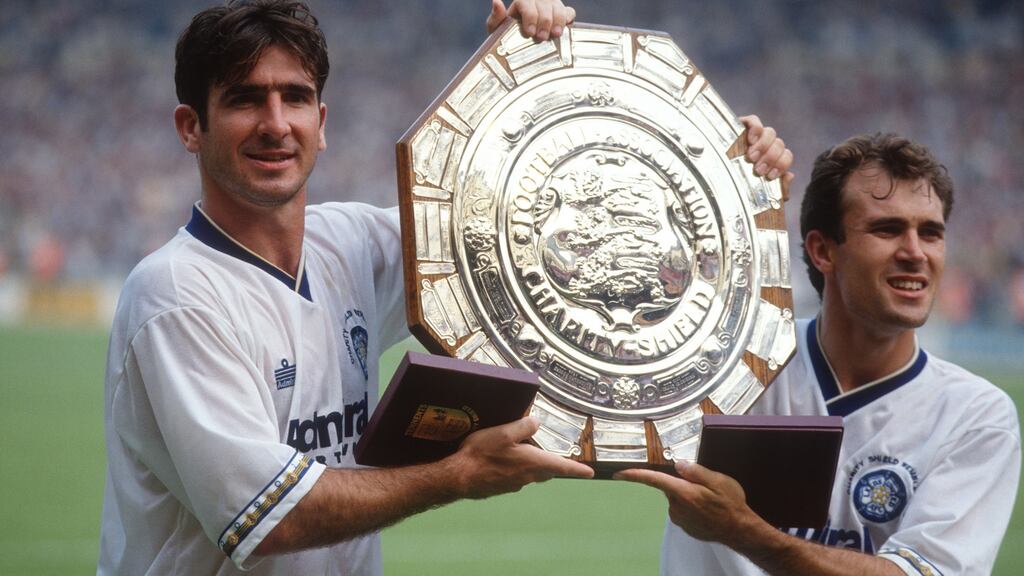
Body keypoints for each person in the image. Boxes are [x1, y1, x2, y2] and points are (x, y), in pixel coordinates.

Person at [97, 1, 794, 574]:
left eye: (296, 98)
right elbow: (268, 518)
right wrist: (454, 476)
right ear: (192, 127)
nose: (276, 124)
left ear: (323, 122)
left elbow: (514, 230)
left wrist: (740, 177)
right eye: (246, 101)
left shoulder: (350, 245)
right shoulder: (176, 296)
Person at [617, 133, 1021, 575]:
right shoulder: (726, 367)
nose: (915, 252)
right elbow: (637, 274)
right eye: (887, 229)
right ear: (822, 250)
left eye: (931, 233)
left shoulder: (976, 416)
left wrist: (744, 532)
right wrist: (722, 167)